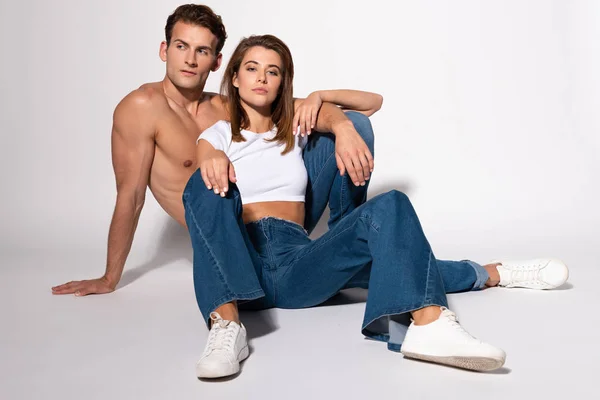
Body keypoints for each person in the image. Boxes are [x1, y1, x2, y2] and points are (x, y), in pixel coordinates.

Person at [185, 34, 569, 378]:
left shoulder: (296, 131)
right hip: (242, 262)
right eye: (252, 68)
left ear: (284, 82)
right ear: (234, 77)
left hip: (299, 263)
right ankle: (226, 326)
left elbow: (372, 104)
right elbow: (205, 159)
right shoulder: (217, 134)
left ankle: (461, 300)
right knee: (200, 184)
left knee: (393, 207)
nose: (262, 78)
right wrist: (213, 158)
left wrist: (326, 106)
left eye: (274, 71)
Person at [50, 4, 377, 297]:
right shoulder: (141, 108)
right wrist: (110, 277)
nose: (190, 59)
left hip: (287, 222)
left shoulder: (230, 105)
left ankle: (346, 240)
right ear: (164, 50)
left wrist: (339, 121)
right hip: (234, 237)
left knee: (353, 127)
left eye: (202, 50)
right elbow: (131, 195)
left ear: (218, 61)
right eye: (181, 47)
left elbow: (323, 109)